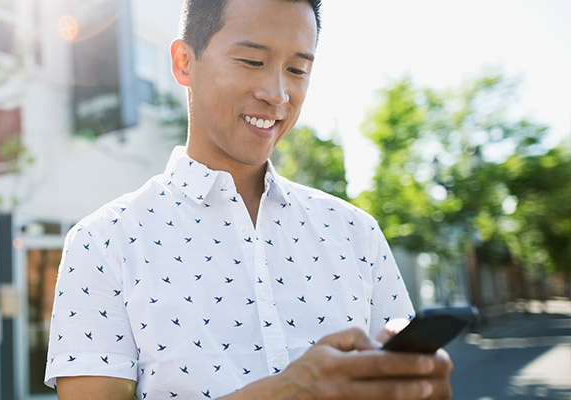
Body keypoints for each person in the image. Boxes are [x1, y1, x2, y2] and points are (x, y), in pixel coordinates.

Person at [43, 0, 454, 398]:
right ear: (184, 62)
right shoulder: (103, 242)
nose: (277, 93)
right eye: (253, 61)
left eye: (297, 69)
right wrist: (285, 394)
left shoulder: (357, 233)